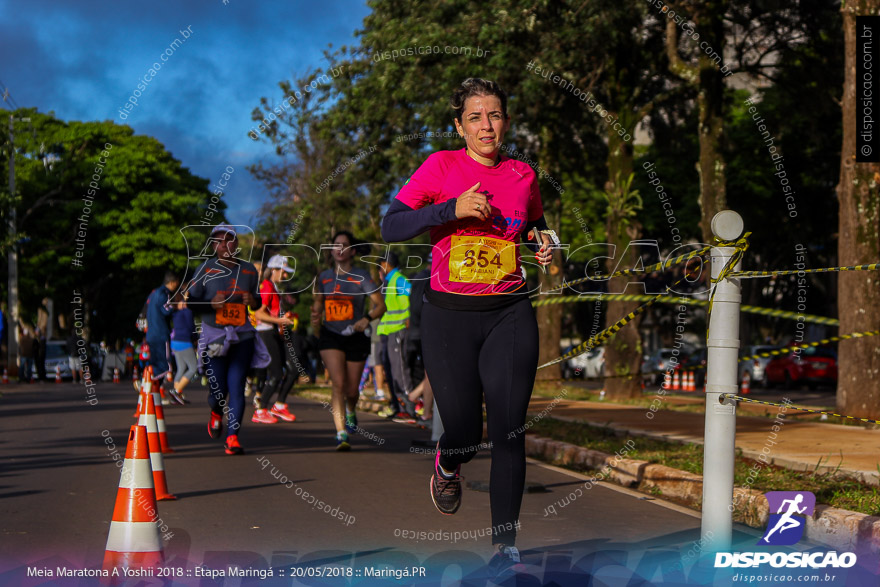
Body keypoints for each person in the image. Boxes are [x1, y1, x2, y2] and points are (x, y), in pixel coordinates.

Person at [381, 78, 553, 570]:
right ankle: (449, 460)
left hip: (509, 312)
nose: (486, 125)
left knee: (509, 429)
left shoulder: (523, 174)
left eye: (494, 115)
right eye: (475, 116)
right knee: (462, 429)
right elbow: (391, 224)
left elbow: (536, 223)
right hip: (447, 315)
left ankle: (506, 546)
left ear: (506, 120)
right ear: (459, 125)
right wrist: (449, 210)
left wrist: (545, 241)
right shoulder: (441, 165)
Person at [185, 224, 267, 455]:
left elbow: (258, 302)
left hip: (243, 335)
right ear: (213, 245)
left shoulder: (250, 270)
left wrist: (252, 301)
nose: (223, 245)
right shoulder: (204, 269)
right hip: (215, 336)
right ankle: (216, 411)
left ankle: (232, 437)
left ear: (236, 243)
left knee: (237, 387)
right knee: (218, 391)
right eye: (218, 241)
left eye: (228, 240)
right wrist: (210, 304)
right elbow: (190, 303)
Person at [311, 231, 385, 450]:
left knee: (352, 390)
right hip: (331, 335)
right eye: (335, 245)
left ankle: (351, 410)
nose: (339, 249)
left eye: (344, 245)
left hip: (355, 335)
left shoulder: (362, 276)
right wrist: (315, 317)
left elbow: (381, 305)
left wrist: (366, 319)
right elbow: (317, 306)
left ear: (352, 251)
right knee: (339, 384)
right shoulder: (323, 277)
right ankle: (341, 433)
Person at [252, 254, 297, 424]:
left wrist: (282, 316)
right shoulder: (267, 287)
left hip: (275, 332)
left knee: (293, 369)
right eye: (283, 272)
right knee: (277, 374)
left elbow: (270, 311)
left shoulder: (274, 286)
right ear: (274, 270)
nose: (285, 276)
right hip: (265, 333)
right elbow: (259, 313)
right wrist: (280, 320)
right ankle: (261, 409)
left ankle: (279, 405)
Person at [376, 252, 417, 422]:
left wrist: (408, 320)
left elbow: (411, 299)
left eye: (380, 266)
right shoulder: (388, 282)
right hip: (387, 331)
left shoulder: (399, 279)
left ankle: (408, 409)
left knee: (400, 369)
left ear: (385, 264)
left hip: (398, 330)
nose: (379, 270)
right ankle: (397, 405)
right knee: (391, 371)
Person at [145, 271, 185, 404]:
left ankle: (151, 389)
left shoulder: (153, 293)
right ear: (173, 282)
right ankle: (155, 390)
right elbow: (166, 310)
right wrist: (178, 306)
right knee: (164, 365)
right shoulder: (164, 293)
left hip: (151, 334)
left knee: (155, 362)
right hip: (160, 334)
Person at [170, 295, 197, 403]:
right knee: (193, 368)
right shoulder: (187, 312)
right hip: (184, 342)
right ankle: (176, 391)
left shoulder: (175, 314)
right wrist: (195, 339)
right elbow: (191, 327)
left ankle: (176, 397)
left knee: (181, 368)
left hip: (175, 343)